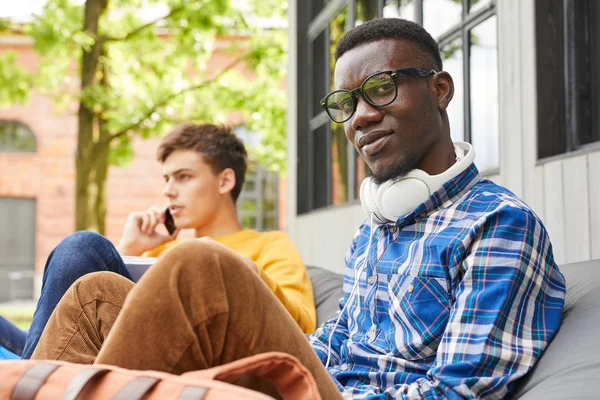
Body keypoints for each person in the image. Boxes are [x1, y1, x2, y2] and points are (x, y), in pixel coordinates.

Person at [28, 18, 565, 399]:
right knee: (94, 294)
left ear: (440, 89)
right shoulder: (375, 230)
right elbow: (335, 342)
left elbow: (458, 392)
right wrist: (234, 360)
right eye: (346, 103)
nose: (360, 117)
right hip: (310, 383)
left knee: (201, 268)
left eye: (380, 89)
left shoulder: (498, 224)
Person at [1, 123, 315, 360]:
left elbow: (301, 325)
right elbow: (90, 308)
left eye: (183, 177)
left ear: (225, 180)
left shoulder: (270, 245)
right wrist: (130, 249)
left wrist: (228, 269)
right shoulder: (159, 249)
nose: (168, 190)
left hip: (180, 351)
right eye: (166, 179)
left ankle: (28, 379)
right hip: (94, 349)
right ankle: (32, 374)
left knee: (83, 246)